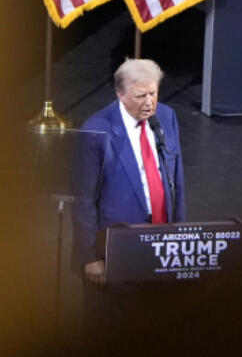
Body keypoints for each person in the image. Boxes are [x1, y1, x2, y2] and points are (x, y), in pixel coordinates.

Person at [72, 58, 186, 286]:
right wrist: (89, 256)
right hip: (117, 245)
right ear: (120, 94)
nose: (149, 104)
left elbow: (177, 180)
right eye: (140, 96)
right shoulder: (96, 130)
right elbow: (83, 199)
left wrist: (182, 237)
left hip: (164, 240)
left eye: (153, 93)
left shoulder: (166, 117)